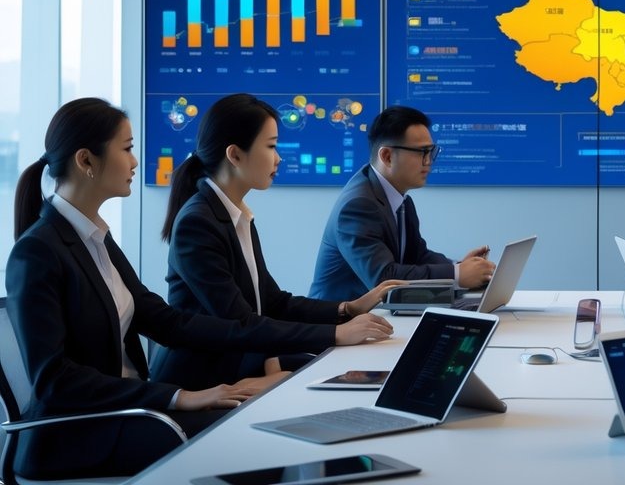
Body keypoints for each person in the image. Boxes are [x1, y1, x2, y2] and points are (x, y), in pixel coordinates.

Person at [4, 98, 394, 480]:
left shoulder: (95, 239)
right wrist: (180, 396)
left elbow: (167, 322)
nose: (135, 162)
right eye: (127, 150)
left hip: (132, 410)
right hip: (82, 434)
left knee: (267, 422)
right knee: (250, 434)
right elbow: (54, 380)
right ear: (86, 161)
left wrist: (337, 319)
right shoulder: (38, 251)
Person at [151, 93, 402, 389]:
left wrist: (347, 309)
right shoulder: (198, 222)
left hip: (242, 361)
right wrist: (336, 333)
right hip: (205, 380)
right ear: (234, 155)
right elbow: (241, 322)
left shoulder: (235, 214)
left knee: (365, 370)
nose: (278, 157)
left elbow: (271, 302)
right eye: (270, 146)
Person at [310, 106, 495, 301]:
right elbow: (384, 278)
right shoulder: (358, 206)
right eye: (422, 152)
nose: (429, 161)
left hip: (378, 317)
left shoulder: (401, 199)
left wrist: (460, 266)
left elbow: (417, 256)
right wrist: (457, 275)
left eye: (431, 152)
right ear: (387, 156)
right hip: (337, 323)